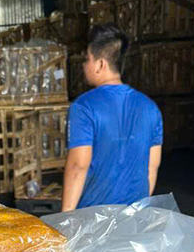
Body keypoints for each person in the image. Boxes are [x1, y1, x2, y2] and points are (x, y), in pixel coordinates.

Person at [62, 24, 163, 212]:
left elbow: (78, 167)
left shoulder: (84, 107)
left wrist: (66, 218)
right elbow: (152, 167)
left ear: (100, 64)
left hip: (93, 216)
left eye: (87, 59)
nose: (84, 65)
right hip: (135, 214)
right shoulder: (151, 108)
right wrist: (137, 211)